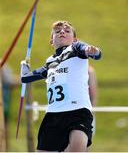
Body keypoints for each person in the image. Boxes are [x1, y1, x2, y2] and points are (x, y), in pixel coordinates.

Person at [21, 20, 101, 152]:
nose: (62, 32)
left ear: (74, 39)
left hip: (78, 112)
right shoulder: (50, 63)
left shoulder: (76, 49)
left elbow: (93, 53)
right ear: (51, 41)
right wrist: (24, 67)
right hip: (53, 115)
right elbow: (26, 78)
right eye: (57, 31)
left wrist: (93, 51)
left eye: (67, 30)